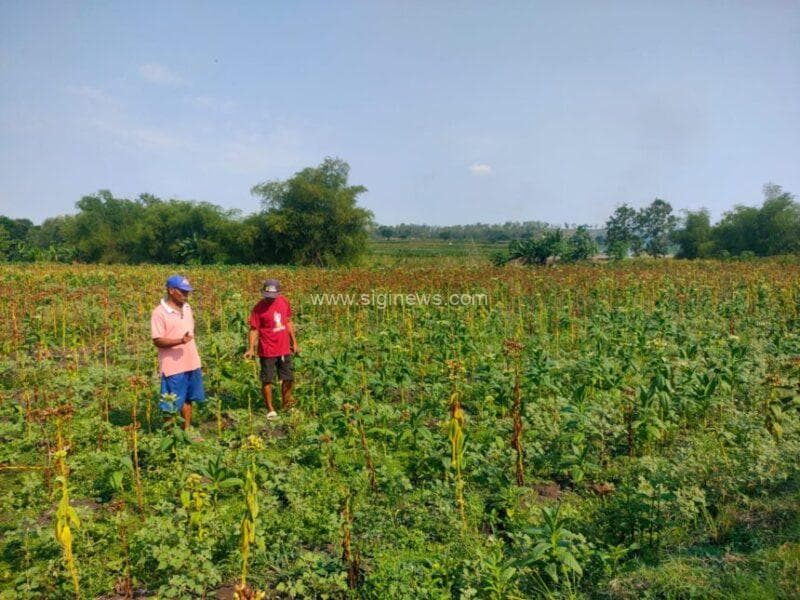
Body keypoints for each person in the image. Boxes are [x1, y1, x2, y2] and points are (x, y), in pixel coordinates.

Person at [151, 274, 205, 436]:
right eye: (183, 292)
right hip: (173, 367)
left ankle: (186, 433)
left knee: (188, 399)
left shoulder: (187, 308)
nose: (186, 295)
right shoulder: (159, 313)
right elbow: (158, 340)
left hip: (191, 362)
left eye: (188, 292)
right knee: (170, 403)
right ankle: (170, 436)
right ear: (171, 291)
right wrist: (180, 341)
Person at [244, 278, 298, 420]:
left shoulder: (284, 301)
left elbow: (288, 322)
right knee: (267, 380)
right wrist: (250, 348)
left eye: (272, 297)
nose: (269, 299)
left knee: (288, 378)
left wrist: (295, 343)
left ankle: (287, 405)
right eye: (267, 296)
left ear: (278, 293)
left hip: (284, 348)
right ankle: (270, 409)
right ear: (263, 293)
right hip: (267, 350)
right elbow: (254, 329)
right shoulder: (258, 308)